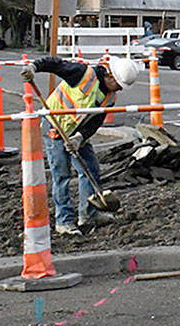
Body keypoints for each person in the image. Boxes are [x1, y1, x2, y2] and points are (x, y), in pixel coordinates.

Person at [22, 56, 143, 236]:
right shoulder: (82, 74)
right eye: (118, 85)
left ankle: (88, 214)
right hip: (55, 128)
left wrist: (79, 138)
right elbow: (55, 64)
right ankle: (64, 221)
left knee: (90, 169)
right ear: (110, 76)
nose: (119, 89)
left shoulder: (110, 97)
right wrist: (34, 67)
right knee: (62, 175)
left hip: (77, 132)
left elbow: (95, 122)